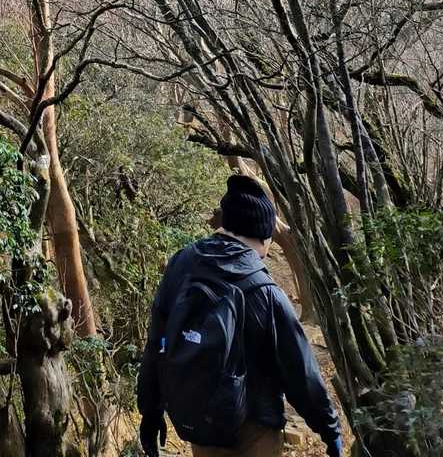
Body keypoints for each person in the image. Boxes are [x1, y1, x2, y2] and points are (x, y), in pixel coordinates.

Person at [137, 173, 342, 457]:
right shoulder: (264, 290)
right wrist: (330, 430)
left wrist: (150, 411)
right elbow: (300, 372)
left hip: (200, 422)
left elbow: (157, 343)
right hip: (253, 430)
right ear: (262, 234)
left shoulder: (181, 265)